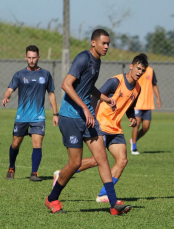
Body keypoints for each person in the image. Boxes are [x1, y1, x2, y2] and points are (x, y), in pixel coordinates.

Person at [45, 29, 131, 215]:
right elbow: (66, 84)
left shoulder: (97, 61)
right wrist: (84, 107)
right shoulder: (83, 58)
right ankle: (52, 198)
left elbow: (87, 85)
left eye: (108, 43)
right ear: (93, 43)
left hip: (88, 118)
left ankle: (113, 203)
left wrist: (104, 98)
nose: (107, 46)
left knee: (102, 159)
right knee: (75, 163)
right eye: (103, 43)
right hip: (70, 117)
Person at [52, 55, 148, 203]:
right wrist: (89, 113)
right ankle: (62, 174)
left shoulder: (138, 88)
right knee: (97, 160)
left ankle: (103, 195)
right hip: (101, 125)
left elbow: (130, 105)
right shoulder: (115, 81)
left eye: (143, 70)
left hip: (115, 128)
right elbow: (95, 95)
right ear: (131, 66)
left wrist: (132, 116)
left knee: (122, 160)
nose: (140, 72)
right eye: (138, 68)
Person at [2, 45, 58, 182]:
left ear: (39, 57)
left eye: (34, 57)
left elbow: (51, 94)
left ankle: (34, 173)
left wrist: (55, 114)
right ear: (25, 57)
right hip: (22, 116)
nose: (32, 60)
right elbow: (10, 89)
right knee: (15, 144)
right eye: (29, 57)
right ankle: (11, 167)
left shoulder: (45, 74)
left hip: (38, 116)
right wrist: (6, 96)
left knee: (37, 144)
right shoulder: (19, 74)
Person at [130, 53, 161, 155]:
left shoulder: (151, 71)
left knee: (146, 127)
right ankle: (134, 147)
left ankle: (133, 139)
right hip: (138, 103)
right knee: (136, 124)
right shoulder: (136, 71)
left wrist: (158, 98)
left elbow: (154, 85)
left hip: (148, 103)